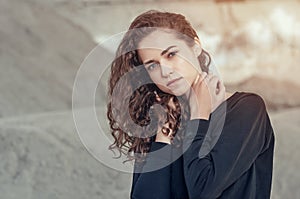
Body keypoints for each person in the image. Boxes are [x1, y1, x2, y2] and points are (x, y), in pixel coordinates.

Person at [107, 10, 275, 199]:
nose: (165, 71)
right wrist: (163, 134)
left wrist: (198, 116)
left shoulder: (247, 109)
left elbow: (203, 190)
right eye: (152, 65)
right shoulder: (161, 122)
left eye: (171, 54)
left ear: (195, 46)